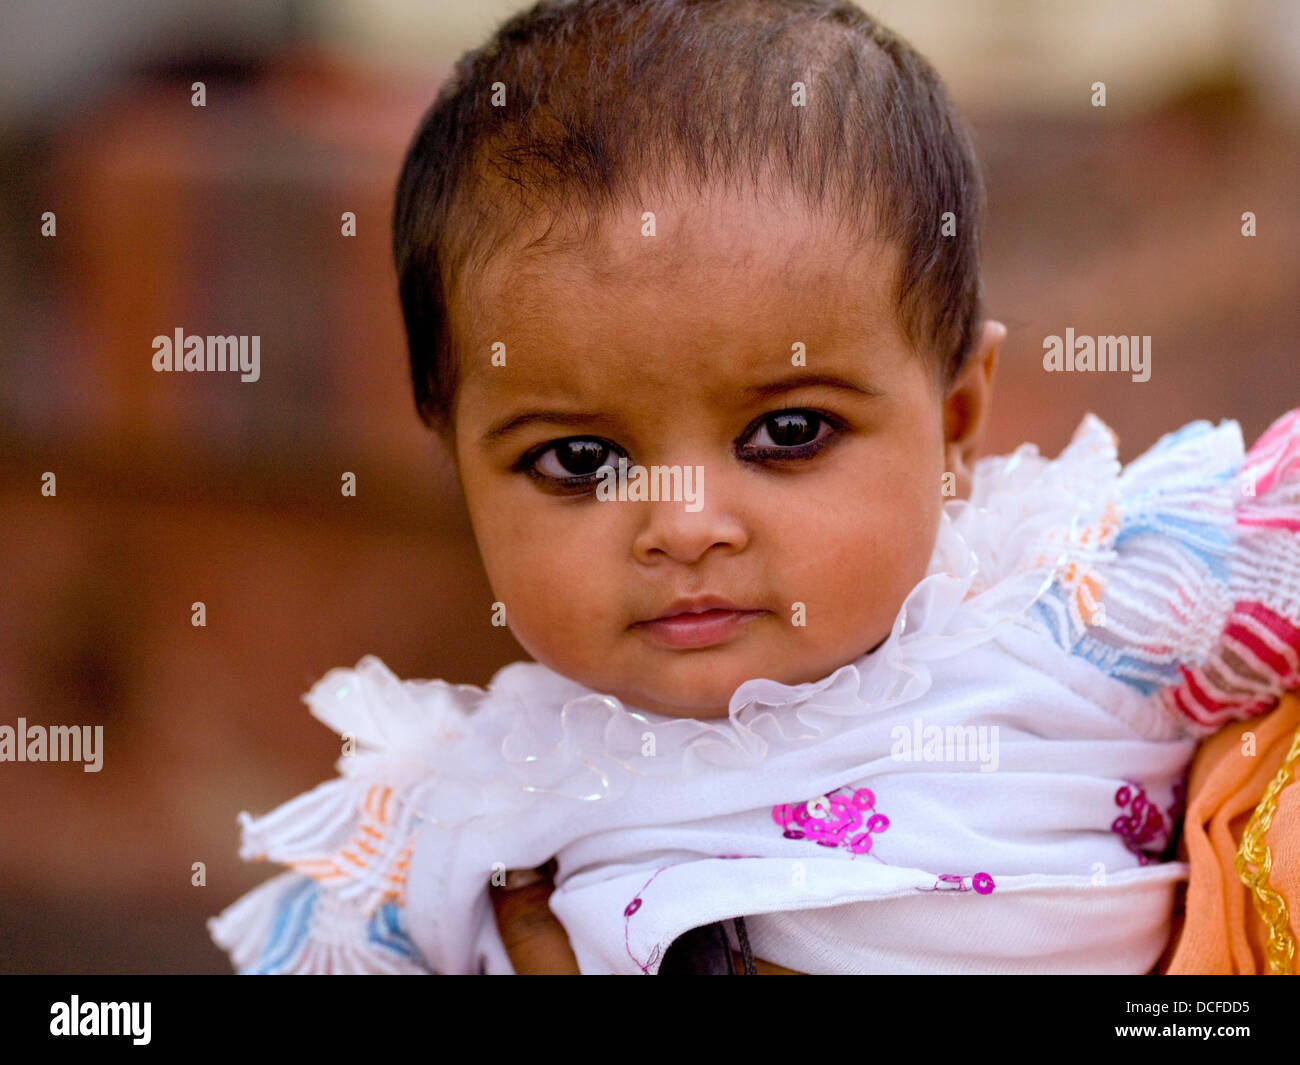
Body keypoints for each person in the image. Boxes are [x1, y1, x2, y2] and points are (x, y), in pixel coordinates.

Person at [208, 0, 1300, 974]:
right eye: (578, 461)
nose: (683, 529)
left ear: (956, 420)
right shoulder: (464, 813)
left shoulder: (1084, 611)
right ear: (458, 465)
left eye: (786, 433)